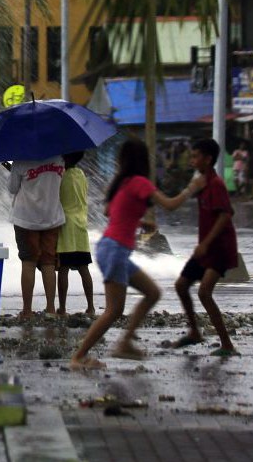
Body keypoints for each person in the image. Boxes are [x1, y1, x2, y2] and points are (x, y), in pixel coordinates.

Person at [70, 139, 201, 370]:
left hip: (109, 248)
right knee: (113, 310)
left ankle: (125, 342)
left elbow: (110, 211)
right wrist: (192, 187)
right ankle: (79, 357)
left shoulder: (121, 182)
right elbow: (170, 205)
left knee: (152, 292)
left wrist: (139, 222)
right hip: (116, 250)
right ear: (143, 161)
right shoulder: (140, 182)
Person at [170, 139, 239, 357]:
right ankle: (194, 331)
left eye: (196, 156)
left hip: (218, 248)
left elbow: (226, 215)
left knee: (204, 292)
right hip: (205, 248)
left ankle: (227, 343)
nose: (192, 161)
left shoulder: (216, 184)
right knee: (181, 285)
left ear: (208, 159)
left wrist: (206, 243)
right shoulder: (202, 182)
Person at [6, 155, 66, 320]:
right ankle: (51, 309)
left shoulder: (21, 160)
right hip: (52, 217)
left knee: (29, 261)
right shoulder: (59, 159)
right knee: (49, 262)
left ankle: (27, 310)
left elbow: (12, 188)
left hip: (26, 219)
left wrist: (11, 170)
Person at [56, 151, 95, 317]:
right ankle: (91, 307)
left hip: (65, 225)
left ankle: (63, 308)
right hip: (81, 224)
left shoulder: (60, 176)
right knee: (83, 268)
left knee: (63, 268)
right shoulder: (81, 174)